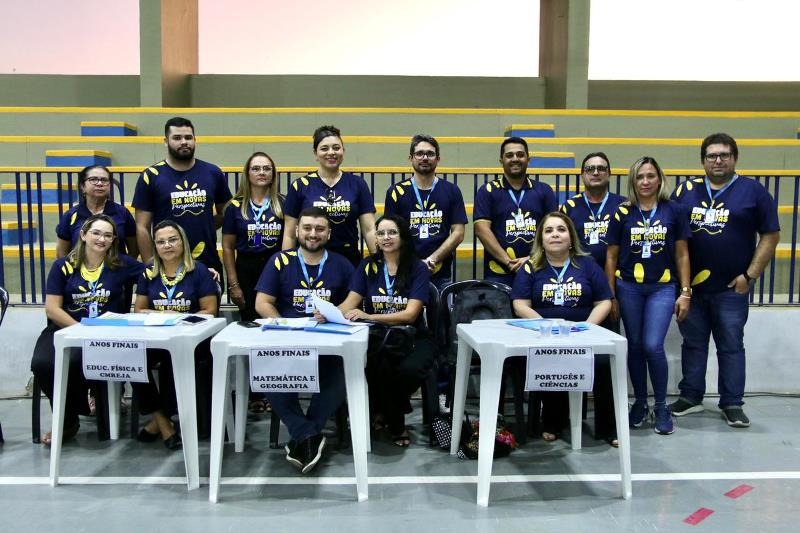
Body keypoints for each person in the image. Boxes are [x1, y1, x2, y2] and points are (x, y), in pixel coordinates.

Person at [669, 133, 780, 428]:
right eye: (711, 156)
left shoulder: (753, 191)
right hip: (691, 289)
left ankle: (732, 403)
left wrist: (750, 275)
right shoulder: (685, 192)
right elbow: (674, 236)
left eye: (724, 155)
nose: (718, 160)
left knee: (730, 346)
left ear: (734, 158)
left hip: (732, 288)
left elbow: (771, 235)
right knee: (693, 344)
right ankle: (690, 397)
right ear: (703, 160)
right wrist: (681, 285)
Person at [254, 207, 354, 473]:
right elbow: (262, 303)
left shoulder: (342, 264)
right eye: (307, 228)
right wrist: (284, 326)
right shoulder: (279, 261)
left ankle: (304, 434)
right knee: (269, 373)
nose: (313, 234)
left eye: (320, 229)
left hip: (328, 344)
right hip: (288, 344)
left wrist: (335, 314)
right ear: (297, 231)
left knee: (343, 373)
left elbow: (354, 302)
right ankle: (307, 433)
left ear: (329, 233)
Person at [31, 214, 143, 445]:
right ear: (83, 235)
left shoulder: (121, 264)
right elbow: (52, 308)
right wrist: (80, 330)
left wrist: (201, 270)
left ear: (113, 240)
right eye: (96, 233)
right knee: (42, 363)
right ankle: (69, 419)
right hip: (65, 329)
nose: (101, 239)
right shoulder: (63, 266)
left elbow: (157, 271)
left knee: (75, 362)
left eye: (108, 235)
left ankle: (67, 421)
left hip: (104, 334)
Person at [605, 156, 691, 436]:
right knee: (635, 346)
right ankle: (640, 403)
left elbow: (682, 254)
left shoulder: (674, 210)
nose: (645, 181)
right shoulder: (622, 212)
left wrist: (686, 291)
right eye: (640, 176)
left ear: (659, 179)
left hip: (662, 288)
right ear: (633, 181)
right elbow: (611, 256)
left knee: (653, 346)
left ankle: (661, 405)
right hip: (628, 287)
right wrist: (611, 295)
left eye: (650, 176)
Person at [511, 212, 612, 443]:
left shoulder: (588, 265)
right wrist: (547, 327)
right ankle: (553, 422)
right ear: (541, 239)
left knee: (604, 364)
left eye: (561, 229)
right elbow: (520, 305)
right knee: (551, 357)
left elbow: (604, 301)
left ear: (571, 237)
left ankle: (608, 428)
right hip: (543, 335)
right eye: (548, 231)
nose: (555, 234)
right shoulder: (530, 267)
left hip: (583, 334)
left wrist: (585, 329)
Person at [337, 214, 434, 448]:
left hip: (412, 337)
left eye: (392, 232)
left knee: (409, 370)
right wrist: (327, 313)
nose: (386, 237)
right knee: (378, 365)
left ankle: (385, 412)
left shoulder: (418, 267)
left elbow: (410, 315)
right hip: (378, 337)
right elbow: (350, 303)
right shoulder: (368, 265)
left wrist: (370, 316)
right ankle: (396, 423)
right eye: (381, 233)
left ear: (403, 237)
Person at [133, 221, 219, 450]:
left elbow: (210, 310)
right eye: (161, 242)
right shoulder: (149, 272)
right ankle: (162, 420)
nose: (167, 245)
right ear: (155, 246)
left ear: (183, 242)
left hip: (191, 339)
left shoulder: (199, 270)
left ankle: (159, 422)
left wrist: (179, 318)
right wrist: (166, 315)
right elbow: (139, 309)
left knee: (174, 359)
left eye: (172, 240)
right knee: (131, 360)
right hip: (157, 336)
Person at [560, 153, 626, 446]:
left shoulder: (623, 205)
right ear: (582, 174)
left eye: (601, 168)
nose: (596, 172)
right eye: (590, 168)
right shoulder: (569, 207)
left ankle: (608, 427)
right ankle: (561, 421)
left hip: (611, 289)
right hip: (575, 286)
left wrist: (612, 294)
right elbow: (559, 241)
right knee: (563, 359)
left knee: (605, 361)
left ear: (609, 173)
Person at [132, 116, 232, 286]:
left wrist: (205, 223)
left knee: (208, 304)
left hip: (207, 260)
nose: (184, 142)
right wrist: (150, 263)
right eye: (177, 138)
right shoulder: (150, 176)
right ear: (166, 141)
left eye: (188, 137)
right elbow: (142, 226)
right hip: (167, 264)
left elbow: (226, 213)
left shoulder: (213, 172)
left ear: (195, 139)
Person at [282, 125, 377, 266]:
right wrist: (286, 266)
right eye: (324, 148)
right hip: (309, 259)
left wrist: (380, 262)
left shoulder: (358, 184)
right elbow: (289, 234)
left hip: (348, 260)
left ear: (343, 151)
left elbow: (369, 230)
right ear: (315, 153)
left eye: (336, 148)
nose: (331, 152)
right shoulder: (300, 186)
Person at [383, 134, 467, 290]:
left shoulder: (452, 190)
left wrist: (433, 259)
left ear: (438, 159)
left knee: (440, 307)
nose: (425, 158)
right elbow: (390, 232)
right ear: (411, 158)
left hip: (440, 272)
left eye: (430, 154)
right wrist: (414, 264)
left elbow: (459, 233)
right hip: (405, 270)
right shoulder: (395, 192)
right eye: (419, 153)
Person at [474, 137, 557, 285]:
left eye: (520, 155)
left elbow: (553, 229)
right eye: (509, 155)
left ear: (528, 159)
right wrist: (508, 261)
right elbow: (481, 230)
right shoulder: (487, 191)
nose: (515, 159)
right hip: (498, 273)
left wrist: (531, 260)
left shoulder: (544, 190)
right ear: (501, 160)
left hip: (538, 269)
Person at [222, 152, 284, 321]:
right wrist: (233, 284)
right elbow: (227, 247)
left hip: (275, 267)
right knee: (250, 321)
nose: (261, 172)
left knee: (276, 318)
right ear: (247, 173)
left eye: (266, 168)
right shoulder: (234, 207)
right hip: (246, 269)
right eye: (256, 168)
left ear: (273, 174)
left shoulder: (283, 203)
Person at [56, 165, 138, 259]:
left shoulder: (122, 213)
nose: (99, 183)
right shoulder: (71, 215)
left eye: (104, 180)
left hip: (116, 267)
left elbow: (134, 249)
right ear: (82, 186)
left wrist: (125, 266)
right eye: (93, 179)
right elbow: (62, 253)